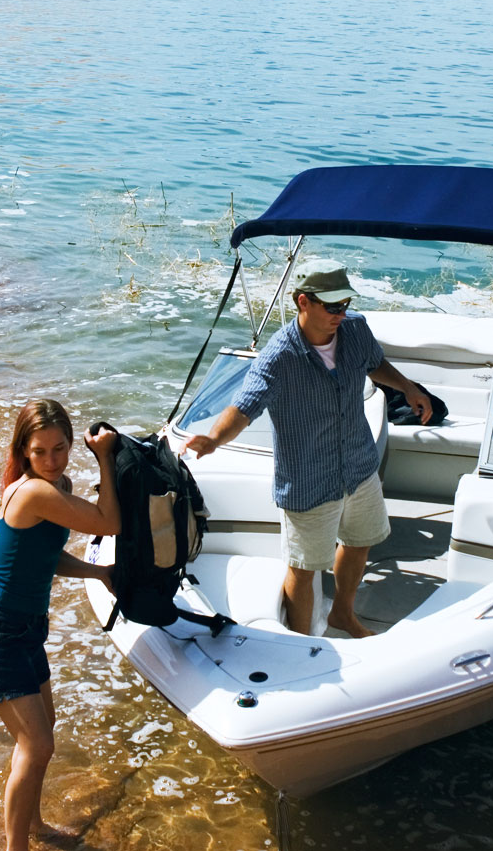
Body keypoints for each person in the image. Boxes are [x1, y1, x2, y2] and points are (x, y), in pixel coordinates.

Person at [182, 269, 432, 637]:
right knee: (303, 567)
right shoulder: (278, 357)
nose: (341, 314)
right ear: (304, 301)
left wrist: (408, 388)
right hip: (308, 480)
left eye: (346, 304)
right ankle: (299, 643)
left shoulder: (355, 329)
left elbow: (374, 363)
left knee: (360, 541)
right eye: (332, 306)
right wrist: (214, 439)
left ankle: (342, 614)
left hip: (359, 465)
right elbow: (244, 406)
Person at [0, 400, 120, 851]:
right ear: (23, 453)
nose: (51, 460)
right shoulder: (31, 492)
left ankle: (35, 825)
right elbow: (108, 523)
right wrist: (107, 460)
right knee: (38, 745)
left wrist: (97, 573)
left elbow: (46, 557)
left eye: (60, 449)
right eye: (40, 452)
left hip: (25, 629)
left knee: (42, 736)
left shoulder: (56, 490)